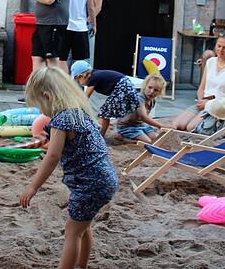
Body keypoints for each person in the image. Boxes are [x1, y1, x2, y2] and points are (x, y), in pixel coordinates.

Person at [19, 67, 118, 269]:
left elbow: (52, 156)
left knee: (72, 232)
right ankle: (82, 264)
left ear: (47, 96)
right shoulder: (80, 112)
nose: (41, 111)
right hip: (105, 179)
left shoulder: (62, 120)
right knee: (83, 226)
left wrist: (33, 186)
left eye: (39, 105)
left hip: (89, 184)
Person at [172, 36, 225, 134]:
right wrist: (201, 100)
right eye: (219, 46)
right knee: (177, 124)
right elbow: (201, 88)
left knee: (191, 127)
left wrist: (209, 103)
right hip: (205, 101)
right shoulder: (211, 62)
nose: (221, 50)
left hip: (223, 106)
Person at [70, 60, 139, 137]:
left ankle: (100, 137)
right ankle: (102, 134)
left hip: (123, 87)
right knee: (106, 113)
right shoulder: (96, 74)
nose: (79, 83)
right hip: (128, 87)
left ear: (81, 75)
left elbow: (84, 98)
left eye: (77, 80)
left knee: (104, 113)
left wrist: (74, 107)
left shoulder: (93, 77)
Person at [116, 73, 168, 143]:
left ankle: (135, 136)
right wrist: (161, 125)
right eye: (150, 87)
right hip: (126, 126)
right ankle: (122, 137)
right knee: (147, 142)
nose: (151, 91)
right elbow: (143, 117)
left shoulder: (152, 101)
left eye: (156, 90)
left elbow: (144, 119)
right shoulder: (139, 98)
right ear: (145, 86)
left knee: (156, 138)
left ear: (160, 92)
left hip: (140, 125)